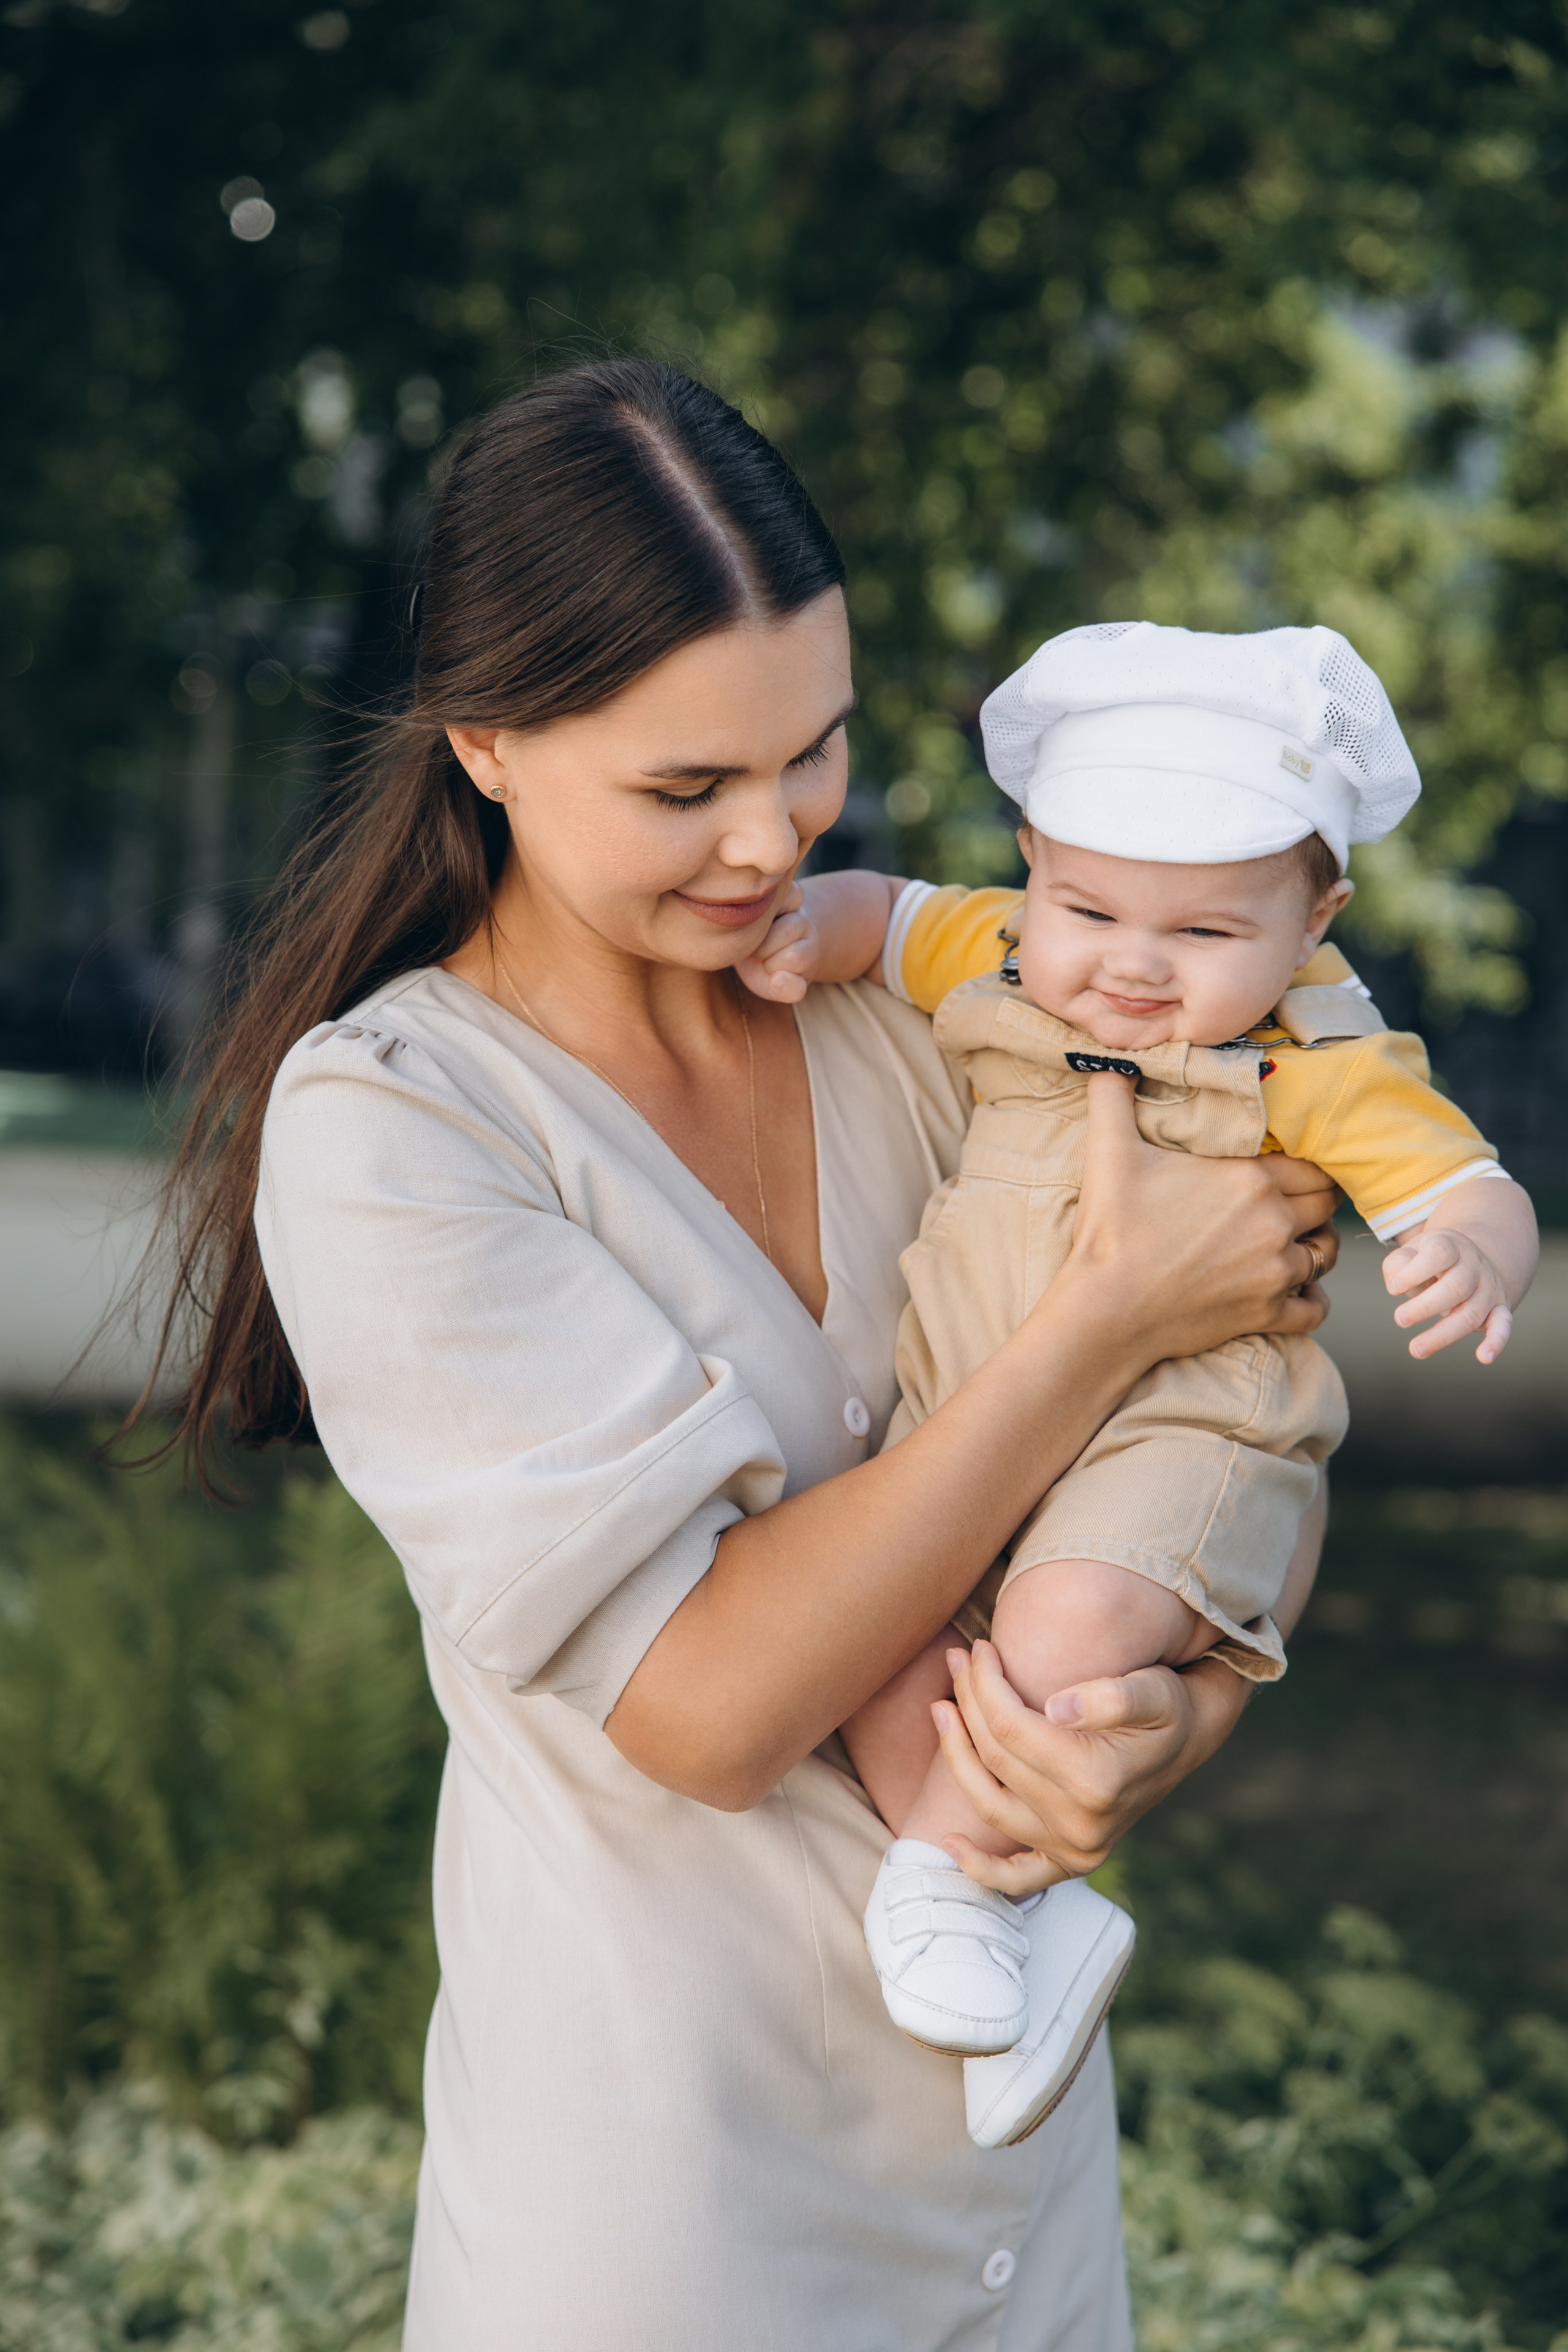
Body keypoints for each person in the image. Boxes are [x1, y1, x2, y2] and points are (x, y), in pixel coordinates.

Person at [138, 361, 1346, 2350]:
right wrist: (1103, 1317)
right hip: (663, 2224)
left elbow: (1230, 1436)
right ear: (487, 744)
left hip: (1014, 2204)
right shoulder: (404, 1127)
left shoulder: (931, 1015)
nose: (773, 838)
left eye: (815, 752)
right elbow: (708, 1703)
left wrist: (1174, 1715)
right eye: (685, 788)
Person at [740, 620, 1538, 2151]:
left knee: (1057, 1636)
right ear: (1032, 865)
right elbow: (888, 914)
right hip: (969, 1421)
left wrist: (1470, 1253)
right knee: (877, 1659)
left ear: (1312, 919)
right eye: (1088, 908)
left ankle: (945, 1884)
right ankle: (1035, 1917)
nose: (1128, 963)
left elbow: (1465, 1181)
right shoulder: (995, 950)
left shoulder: (1310, 1062)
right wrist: (809, 932)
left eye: (1202, 932)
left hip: (1174, 1433)